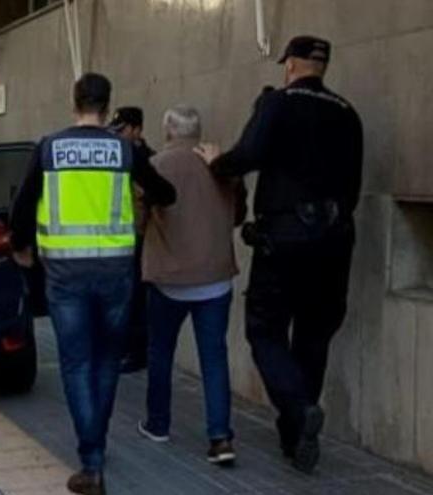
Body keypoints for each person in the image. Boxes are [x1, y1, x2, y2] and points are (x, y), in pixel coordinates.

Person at [196, 36, 363, 474]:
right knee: (314, 336)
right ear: (322, 66)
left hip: (285, 237)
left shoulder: (278, 103)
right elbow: (353, 189)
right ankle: (296, 441)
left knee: (265, 331)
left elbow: (248, 155)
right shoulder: (348, 113)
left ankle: (299, 409)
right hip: (337, 238)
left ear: (290, 64)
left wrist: (216, 161)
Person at [10, 73, 176, 495]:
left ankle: (92, 459)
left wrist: (21, 247)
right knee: (105, 362)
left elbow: (23, 203)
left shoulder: (48, 147)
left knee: (77, 364)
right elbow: (165, 192)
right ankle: (94, 449)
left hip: (65, 275)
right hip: (117, 273)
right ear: (107, 106)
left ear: (74, 103)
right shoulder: (125, 149)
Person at [135, 105, 245, 465]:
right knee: (214, 358)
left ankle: (158, 423)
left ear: (168, 130)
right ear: (198, 131)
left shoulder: (155, 166)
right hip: (215, 278)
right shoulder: (221, 163)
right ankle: (219, 438)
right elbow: (240, 214)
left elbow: (137, 220)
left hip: (169, 278)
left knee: (160, 352)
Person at [108, 107, 155, 373]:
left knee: (137, 299)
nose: (120, 135)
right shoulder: (118, 158)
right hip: (119, 238)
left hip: (142, 237)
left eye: (123, 130)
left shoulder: (147, 160)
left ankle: (137, 352)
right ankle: (127, 348)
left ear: (137, 130)